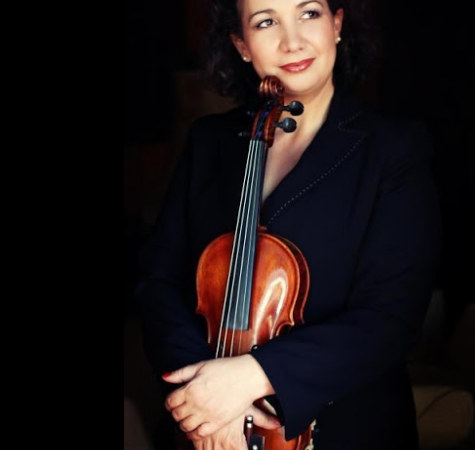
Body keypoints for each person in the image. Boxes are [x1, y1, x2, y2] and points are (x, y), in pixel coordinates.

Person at [135, 0, 442, 448]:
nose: (292, 41)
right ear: (242, 45)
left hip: (345, 431)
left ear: (337, 24)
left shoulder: (394, 149)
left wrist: (250, 378)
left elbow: (392, 317)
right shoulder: (209, 141)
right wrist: (204, 399)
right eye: (266, 22)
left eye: (309, 13)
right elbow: (157, 282)